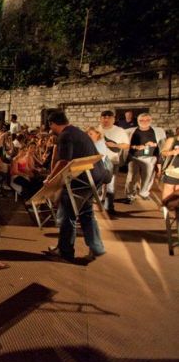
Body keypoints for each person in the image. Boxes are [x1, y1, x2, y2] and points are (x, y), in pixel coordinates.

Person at [45, 111, 107, 262]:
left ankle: (65, 251)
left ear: (52, 124)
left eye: (50, 126)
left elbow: (63, 161)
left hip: (81, 179)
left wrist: (50, 178)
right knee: (86, 213)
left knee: (68, 215)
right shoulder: (78, 132)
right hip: (94, 176)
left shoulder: (65, 135)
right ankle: (96, 248)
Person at [97, 110, 130, 213]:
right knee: (98, 183)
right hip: (97, 161)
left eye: (109, 118)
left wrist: (115, 145)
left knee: (110, 184)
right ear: (100, 119)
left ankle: (109, 206)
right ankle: (99, 202)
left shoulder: (120, 131)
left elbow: (126, 145)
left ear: (113, 119)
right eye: (104, 117)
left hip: (112, 161)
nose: (106, 120)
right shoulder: (96, 130)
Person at [125, 113, 161, 203]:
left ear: (151, 120)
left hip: (150, 158)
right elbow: (125, 145)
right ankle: (130, 195)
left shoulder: (157, 132)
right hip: (134, 157)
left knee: (148, 178)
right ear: (138, 121)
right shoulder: (130, 131)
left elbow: (161, 146)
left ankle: (144, 193)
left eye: (147, 120)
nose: (144, 122)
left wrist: (155, 145)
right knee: (131, 177)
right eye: (142, 120)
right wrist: (135, 147)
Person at [160, 133, 179, 203]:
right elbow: (163, 152)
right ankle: (165, 207)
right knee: (169, 189)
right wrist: (173, 152)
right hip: (172, 169)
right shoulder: (172, 140)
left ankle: (175, 207)